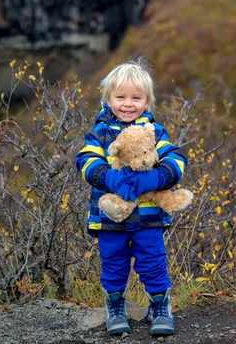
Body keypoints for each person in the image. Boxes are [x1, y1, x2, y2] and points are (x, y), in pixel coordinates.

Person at [75, 58, 188, 336]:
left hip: (149, 216)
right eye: (121, 97)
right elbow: (85, 161)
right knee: (113, 263)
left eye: (136, 98)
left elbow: (176, 159)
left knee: (152, 261)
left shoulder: (155, 131)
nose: (128, 103)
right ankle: (115, 307)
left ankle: (160, 307)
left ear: (147, 101)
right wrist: (109, 178)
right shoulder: (99, 133)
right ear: (108, 98)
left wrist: (154, 178)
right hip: (109, 217)